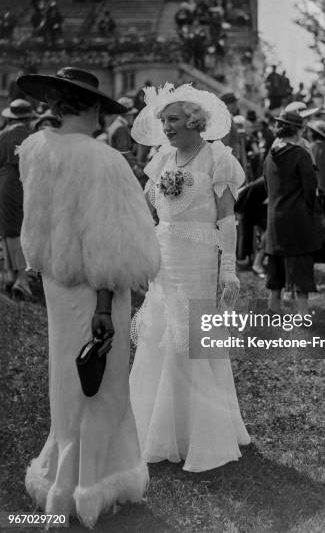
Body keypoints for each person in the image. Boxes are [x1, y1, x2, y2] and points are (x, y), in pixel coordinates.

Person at [16, 67, 161, 527]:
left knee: (68, 377)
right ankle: (90, 485)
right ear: (92, 107)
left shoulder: (34, 150)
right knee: (100, 383)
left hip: (57, 285)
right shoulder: (105, 161)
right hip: (95, 290)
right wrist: (104, 307)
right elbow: (113, 246)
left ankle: (62, 481)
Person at [130, 82, 250, 472]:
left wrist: (228, 269)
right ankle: (155, 426)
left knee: (193, 339)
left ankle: (202, 430)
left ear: (196, 120)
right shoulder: (162, 159)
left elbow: (227, 218)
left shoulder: (218, 157)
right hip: (165, 258)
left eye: (174, 119)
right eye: (163, 121)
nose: (166, 127)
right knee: (159, 334)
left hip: (199, 258)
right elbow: (154, 213)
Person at [263, 105, 321, 315]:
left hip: (275, 215)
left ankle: (273, 306)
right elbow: (310, 188)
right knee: (301, 265)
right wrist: (311, 211)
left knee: (275, 263)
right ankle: (303, 313)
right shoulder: (301, 154)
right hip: (297, 217)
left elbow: (267, 186)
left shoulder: (270, 155)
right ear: (299, 131)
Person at [0, 99, 34, 298]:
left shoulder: (2, 135)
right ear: (29, 117)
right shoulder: (30, 136)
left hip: (3, 184)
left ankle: (11, 275)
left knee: (8, 231)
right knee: (21, 231)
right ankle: (22, 278)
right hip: (21, 184)